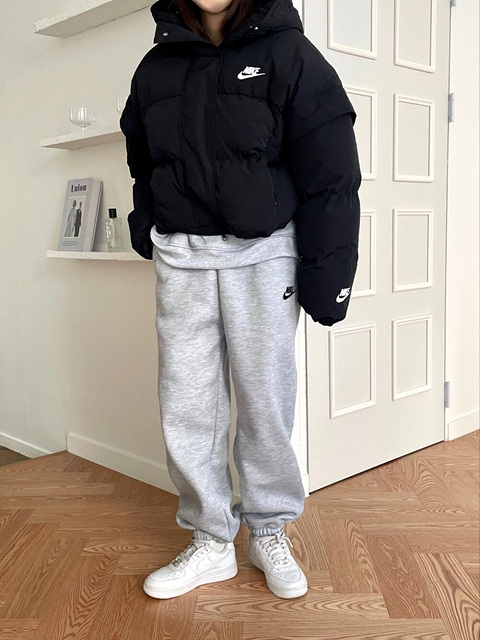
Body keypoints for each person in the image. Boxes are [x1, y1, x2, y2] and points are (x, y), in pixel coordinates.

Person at [119, 0, 362, 601]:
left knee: (264, 403)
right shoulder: (155, 68)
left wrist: (329, 275)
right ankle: (210, 541)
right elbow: (143, 163)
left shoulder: (290, 54)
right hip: (182, 259)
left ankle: (269, 531)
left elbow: (331, 175)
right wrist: (147, 224)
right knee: (187, 407)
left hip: (263, 256)